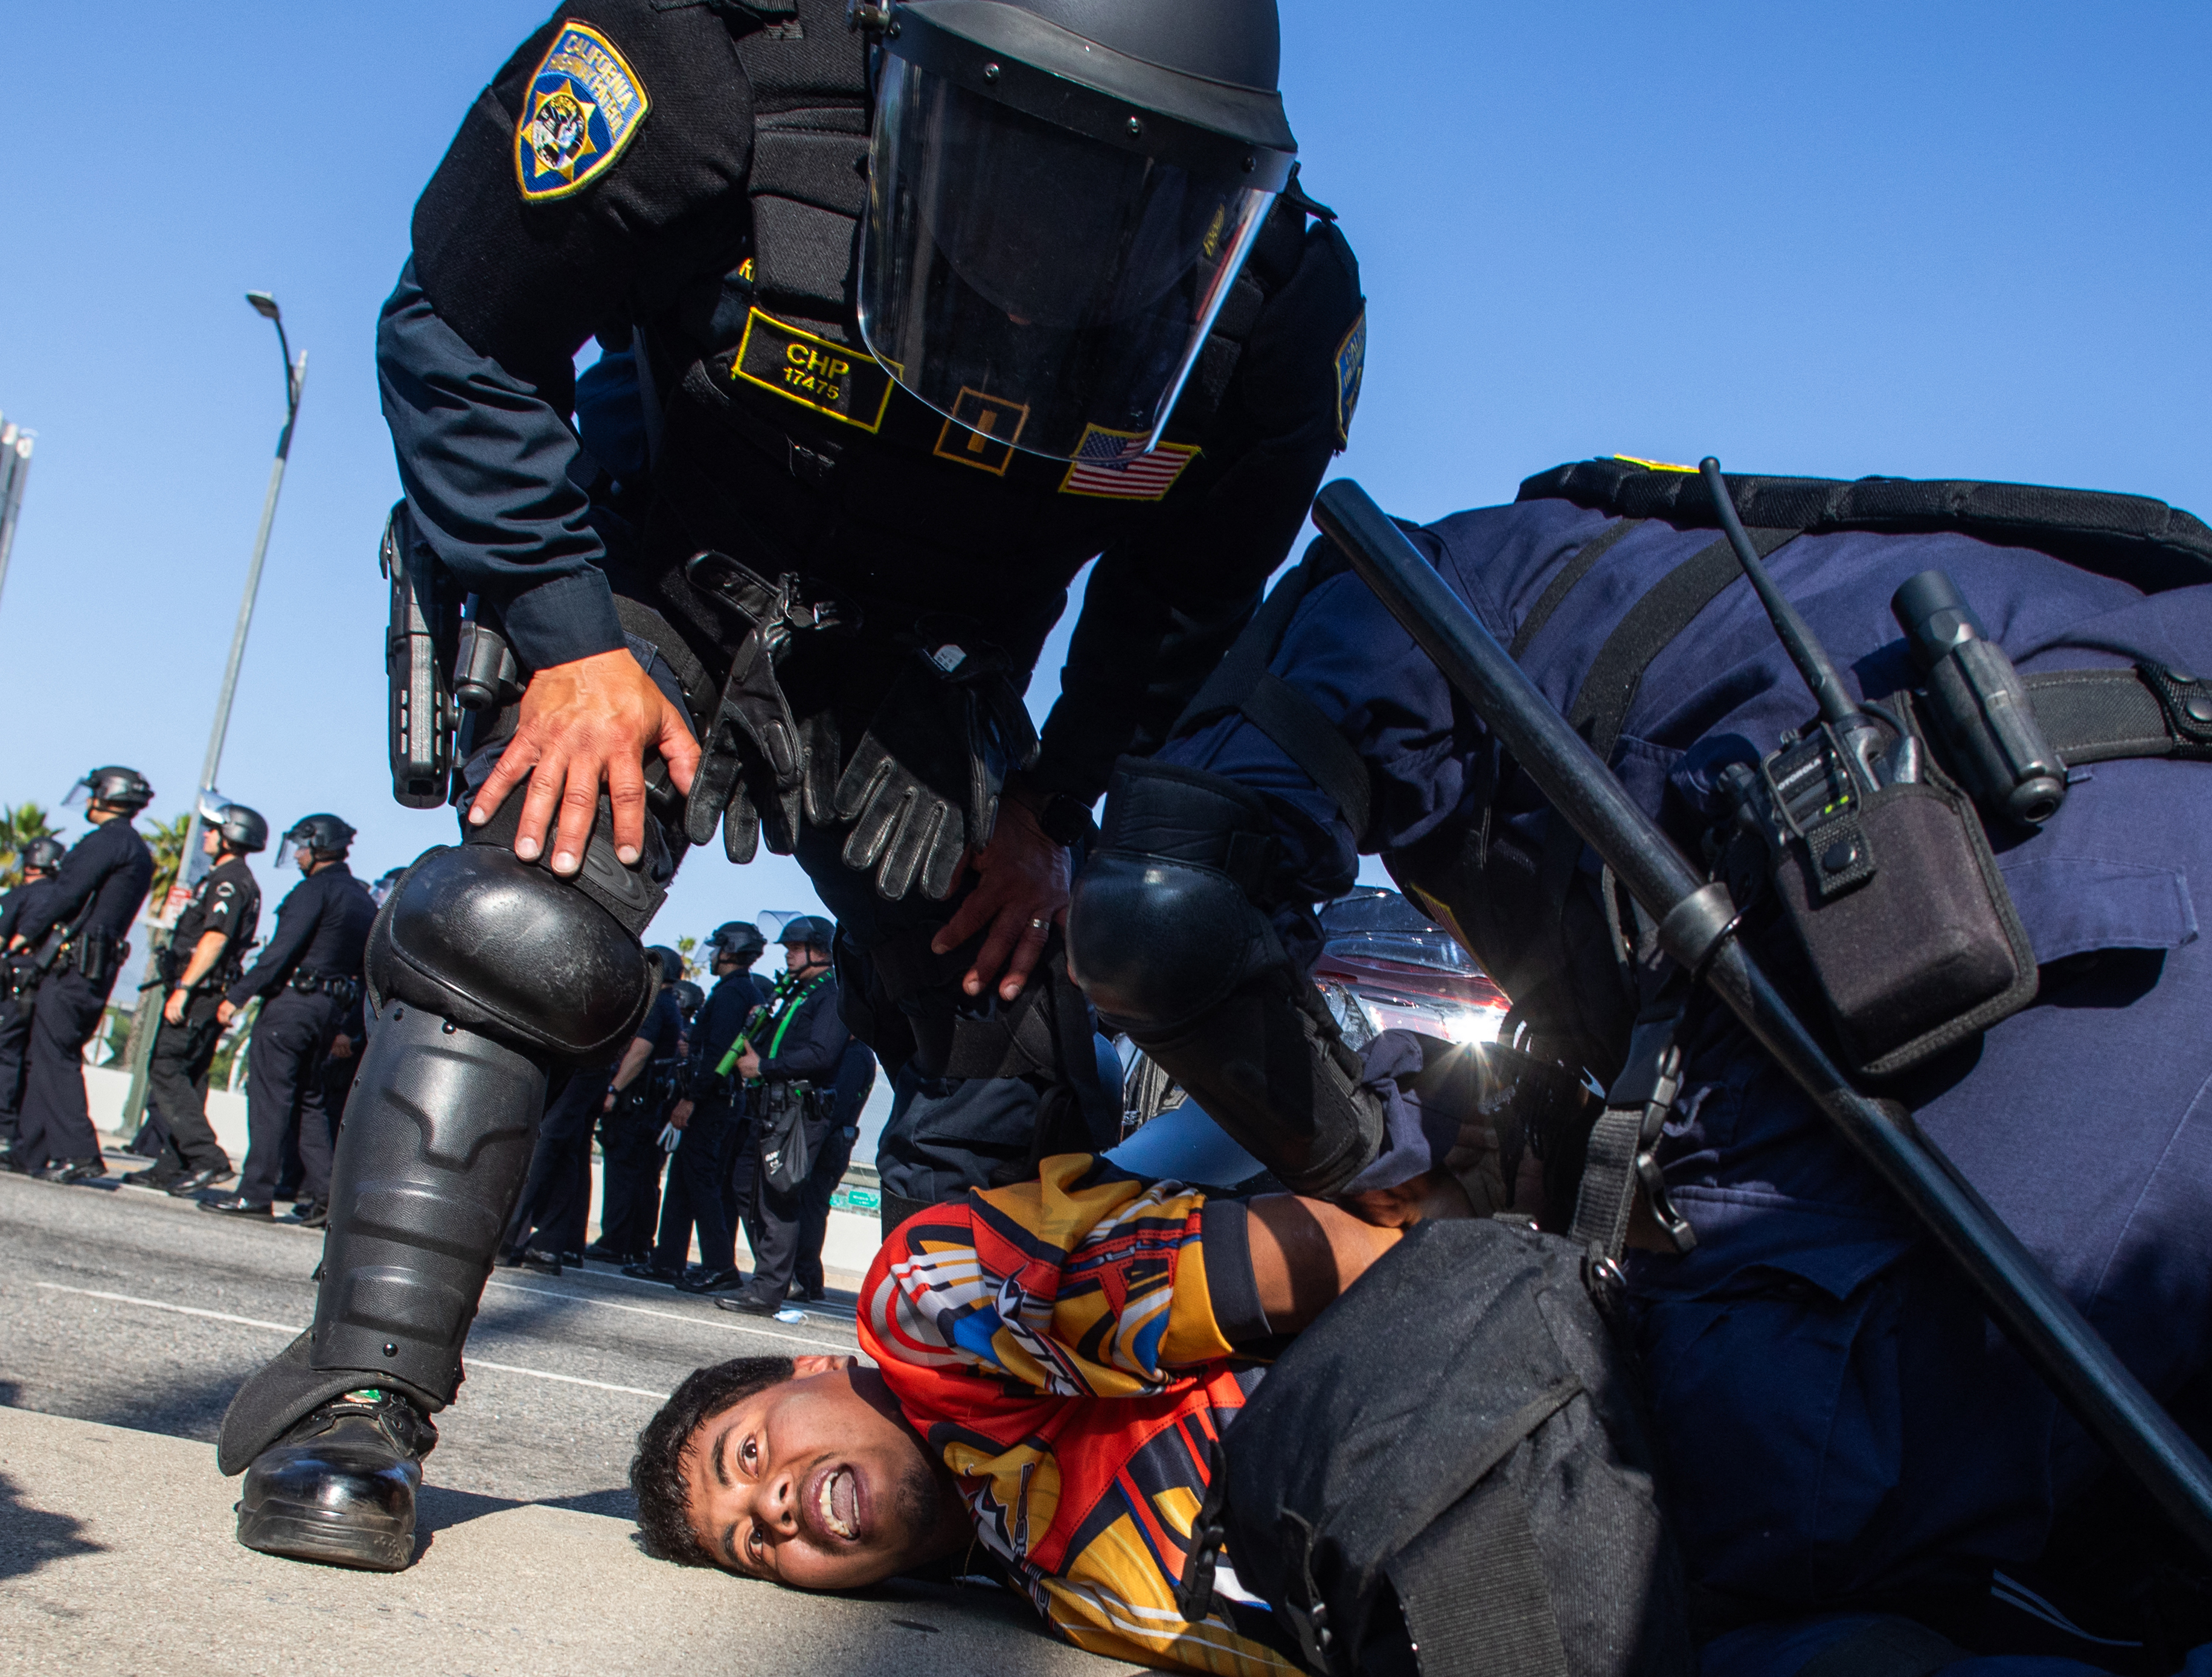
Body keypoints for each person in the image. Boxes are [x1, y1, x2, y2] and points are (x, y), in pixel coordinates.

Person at [217, 0, 1363, 1574]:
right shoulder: (712, 64)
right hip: (654, 581)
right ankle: (359, 1394)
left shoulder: (1275, 302)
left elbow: (1185, 594)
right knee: (520, 920)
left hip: (929, 661)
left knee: (1007, 1011)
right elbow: (458, 326)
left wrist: (1053, 808)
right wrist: (559, 628)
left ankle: (957, 1439)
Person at [1061, 457, 2212, 1676]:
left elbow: (1158, 913)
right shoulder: (1690, 585)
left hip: (2036, 896)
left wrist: (1381, 1169)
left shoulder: (1389, 589)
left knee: (1635, 1541)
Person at [628, 1149, 1513, 1674]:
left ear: (813, 1367)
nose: (774, 1508)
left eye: (747, 1456)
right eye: (753, 1543)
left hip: (1512, 1406)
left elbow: (1339, 1256)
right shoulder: (1062, 1596)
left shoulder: (930, 1309)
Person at [200, 815, 376, 1221]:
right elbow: (366, 969)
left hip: (292, 1005)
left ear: (318, 845)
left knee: (270, 1098)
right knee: (309, 1101)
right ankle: (328, 1198)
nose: (296, 855)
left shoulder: (313, 890)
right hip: (329, 1010)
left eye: (301, 846)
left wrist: (237, 996)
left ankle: (254, 1192)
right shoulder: (362, 899)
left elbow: (281, 951)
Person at [6, 768, 155, 1182]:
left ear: (108, 795)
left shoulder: (105, 841)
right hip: (93, 964)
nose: (89, 800)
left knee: (55, 1054)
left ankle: (78, 1152)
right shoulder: (136, 848)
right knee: (46, 1053)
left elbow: (66, 893)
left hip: (74, 965)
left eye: (94, 792)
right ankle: (31, 1150)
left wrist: (26, 933)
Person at [125, 801, 268, 1195]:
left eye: (213, 829)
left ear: (231, 836)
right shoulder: (228, 878)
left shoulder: (229, 880)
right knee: (191, 1076)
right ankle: (173, 1164)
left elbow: (215, 937)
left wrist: (185, 988)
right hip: (207, 992)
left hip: (200, 992)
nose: (206, 834)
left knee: (166, 1067)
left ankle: (207, 1158)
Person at [627, 923, 774, 1294]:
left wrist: (691, 1097)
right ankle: (668, 1261)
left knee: (701, 1182)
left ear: (731, 950)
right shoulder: (742, 990)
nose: (711, 955)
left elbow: (717, 1055)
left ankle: (720, 1266)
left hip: (711, 1100)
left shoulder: (731, 994)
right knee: (683, 1179)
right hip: (717, 1098)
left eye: (717, 947)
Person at [718, 914, 850, 1317]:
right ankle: (775, 1275)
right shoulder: (797, 992)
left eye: (795, 948)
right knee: (747, 1186)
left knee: (780, 1195)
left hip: (797, 1111)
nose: (789, 955)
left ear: (818, 950)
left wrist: (764, 1066)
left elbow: (821, 1055)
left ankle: (768, 1289)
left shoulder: (831, 994)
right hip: (768, 1106)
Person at [585, 947, 691, 1266]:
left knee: (623, 1173)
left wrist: (614, 1089)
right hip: (651, 1104)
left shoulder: (656, 1005)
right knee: (644, 1176)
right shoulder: (670, 1006)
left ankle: (616, 1241)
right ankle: (637, 1242)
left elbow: (640, 1052)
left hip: (635, 1102)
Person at [790, 1035, 877, 1304]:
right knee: (812, 1208)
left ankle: (806, 1278)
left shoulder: (855, 1055)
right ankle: (809, 1278)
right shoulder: (857, 1054)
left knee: (811, 1208)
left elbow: (836, 1105)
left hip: (830, 1142)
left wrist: (812, 1141)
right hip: (835, 1141)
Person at [0, 833, 66, 1170]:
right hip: (48, 987)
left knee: (5, 1054)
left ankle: (4, 1126)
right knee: (31, 1059)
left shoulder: (19, 896)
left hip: (13, 984)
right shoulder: (65, 898)